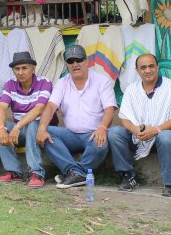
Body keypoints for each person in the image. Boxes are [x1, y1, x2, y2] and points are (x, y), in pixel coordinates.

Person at [36, 45, 116, 188]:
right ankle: (75, 172)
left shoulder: (101, 81)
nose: (75, 64)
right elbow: (50, 107)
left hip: (94, 133)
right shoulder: (62, 83)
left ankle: (74, 173)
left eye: (78, 60)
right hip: (70, 134)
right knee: (46, 132)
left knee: (100, 144)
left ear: (86, 61)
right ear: (67, 65)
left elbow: (110, 108)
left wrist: (103, 127)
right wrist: (42, 127)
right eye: (71, 61)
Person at [109, 54, 171, 196]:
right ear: (137, 71)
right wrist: (135, 130)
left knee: (166, 136)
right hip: (138, 137)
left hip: (166, 138)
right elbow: (124, 118)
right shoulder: (131, 90)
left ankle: (170, 185)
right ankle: (128, 176)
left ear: (157, 67)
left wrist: (155, 131)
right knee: (114, 133)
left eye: (151, 66)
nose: (148, 70)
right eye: (143, 67)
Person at [0, 52, 54, 188]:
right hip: (20, 131)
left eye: (24, 68)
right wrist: (2, 129)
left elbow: (39, 109)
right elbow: (1, 108)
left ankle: (37, 173)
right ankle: (14, 172)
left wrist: (17, 127)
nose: (20, 72)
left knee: (33, 124)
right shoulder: (10, 84)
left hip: (40, 129)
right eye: (17, 69)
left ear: (33, 69)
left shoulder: (44, 83)